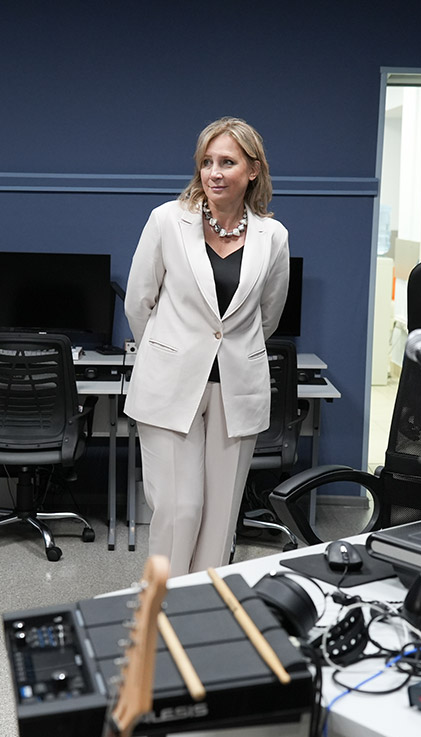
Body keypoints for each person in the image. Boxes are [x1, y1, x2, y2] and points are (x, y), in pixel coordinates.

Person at [124, 117, 290, 577]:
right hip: (170, 385)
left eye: (227, 162)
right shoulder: (166, 221)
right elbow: (139, 302)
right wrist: (167, 353)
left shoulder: (273, 236)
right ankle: (160, 608)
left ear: (253, 170)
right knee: (180, 511)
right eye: (207, 162)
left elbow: (268, 315)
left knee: (219, 522)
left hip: (237, 388)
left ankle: (201, 608)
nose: (214, 173)